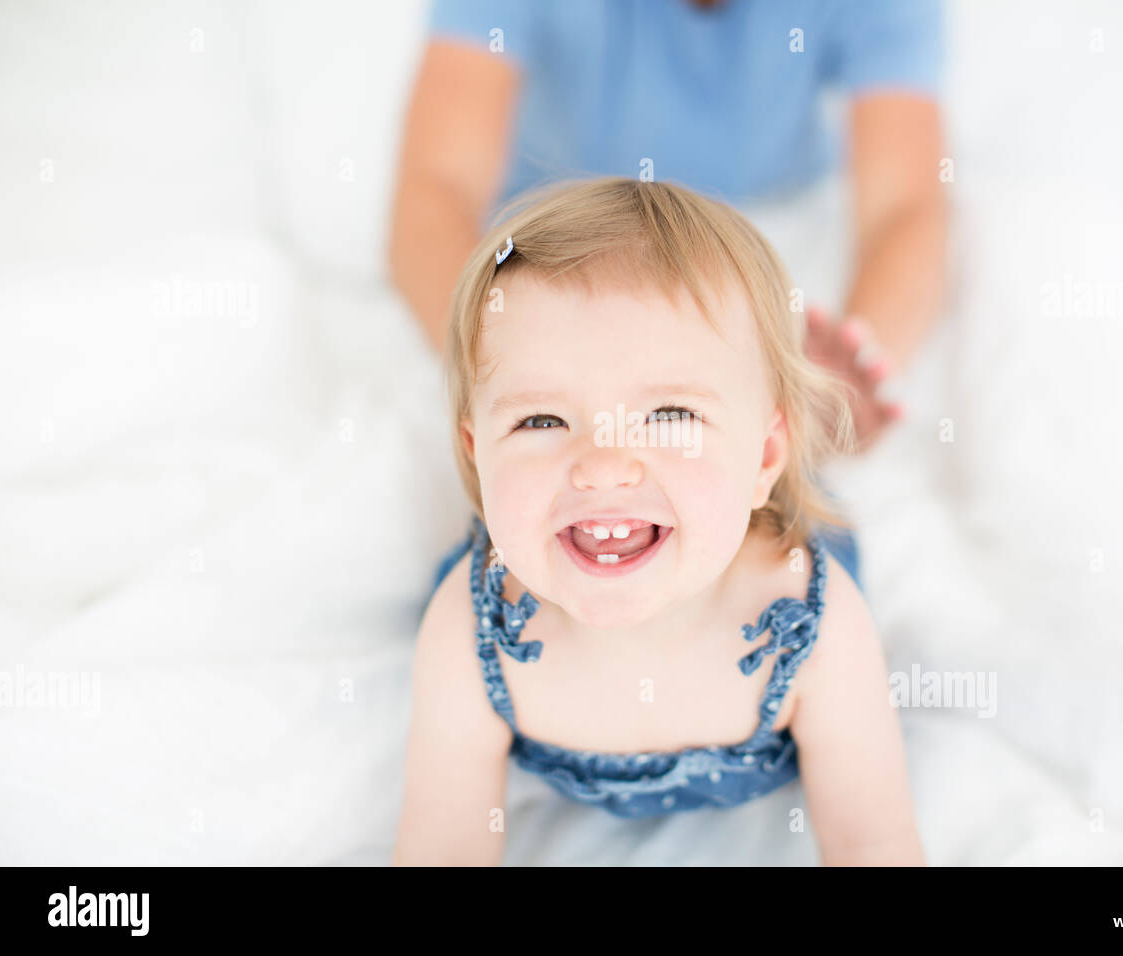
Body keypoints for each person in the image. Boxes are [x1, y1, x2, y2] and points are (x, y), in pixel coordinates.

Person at [392, 178, 924, 865]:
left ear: (764, 455)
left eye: (670, 416)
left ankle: (817, 425)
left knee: (797, 491)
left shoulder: (811, 626)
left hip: (756, 525)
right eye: (542, 420)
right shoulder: (473, 629)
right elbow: (442, 848)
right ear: (475, 453)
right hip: (665, 508)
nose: (604, 465)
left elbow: (873, 844)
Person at [388, 0, 948, 455]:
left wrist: (842, 379)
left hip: (774, 218)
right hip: (551, 225)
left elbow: (905, 204)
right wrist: (499, 358)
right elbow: (435, 189)